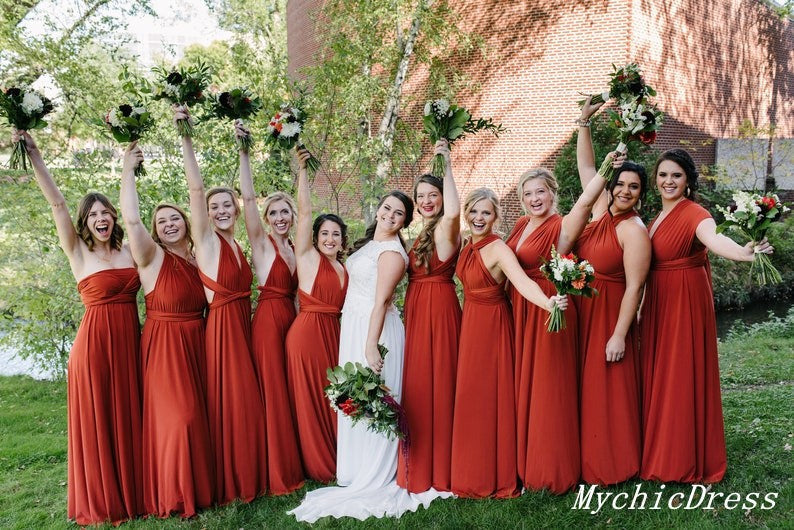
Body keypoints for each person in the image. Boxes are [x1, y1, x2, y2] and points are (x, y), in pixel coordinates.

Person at [289, 191, 451, 522]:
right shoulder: (368, 246)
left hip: (373, 331)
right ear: (378, 210)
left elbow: (380, 301)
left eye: (399, 213)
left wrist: (370, 344)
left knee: (374, 399)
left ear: (405, 221)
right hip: (355, 326)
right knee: (357, 400)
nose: (391, 215)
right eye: (387, 208)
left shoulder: (392, 253)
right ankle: (354, 469)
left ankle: (375, 473)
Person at [17, 129, 143, 524]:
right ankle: (105, 498)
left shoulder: (129, 251)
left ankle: (138, 490)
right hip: (94, 348)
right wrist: (35, 154)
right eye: (93, 215)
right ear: (84, 223)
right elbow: (56, 203)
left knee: (131, 415)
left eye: (105, 212)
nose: (101, 218)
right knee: (101, 421)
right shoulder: (78, 252)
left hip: (131, 342)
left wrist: (129, 167)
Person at [640, 148, 773, 483]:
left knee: (679, 372)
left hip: (683, 301)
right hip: (659, 301)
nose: (668, 181)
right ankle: (659, 446)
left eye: (676, 175)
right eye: (663, 175)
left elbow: (714, 239)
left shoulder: (695, 213)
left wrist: (743, 254)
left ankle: (679, 456)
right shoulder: (657, 217)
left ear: (687, 181)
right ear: (656, 179)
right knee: (660, 371)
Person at [174, 106, 267, 504]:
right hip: (223, 333)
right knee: (237, 403)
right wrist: (186, 134)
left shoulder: (237, 243)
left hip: (244, 327)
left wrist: (244, 150)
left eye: (226, 205)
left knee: (248, 404)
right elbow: (196, 190)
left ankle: (252, 472)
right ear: (207, 216)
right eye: (215, 208)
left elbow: (249, 198)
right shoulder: (208, 243)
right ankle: (236, 480)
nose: (223, 210)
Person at [450, 188, 568, 498]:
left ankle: (494, 473)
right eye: (474, 211)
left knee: (490, 397)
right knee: (470, 398)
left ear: (496, 217)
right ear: (467, 213)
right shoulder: (465, 244)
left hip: (492, 326)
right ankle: (469, 469)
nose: (479, 218)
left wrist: (548, 303)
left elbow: (523, 282)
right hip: (470, 324)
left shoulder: (499, 248)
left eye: (486, 213)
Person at [118, 143, 214, 517]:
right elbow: (131, 221)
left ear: (186, 224)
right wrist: (128, 170)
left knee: (200, 417)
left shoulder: (196, 258)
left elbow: (198, 193)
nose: (170, 224)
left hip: (198, 341)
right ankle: (174, 495)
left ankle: (200, 489)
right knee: (180, 419)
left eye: (175, 219)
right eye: (163, 222)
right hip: (164, 346)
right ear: (156, 231)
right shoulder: (151, 257)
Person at [506, 154, 610, 494]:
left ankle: (551, 471)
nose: (534, 199)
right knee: (526, 386)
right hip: (523, 307)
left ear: (553, 193)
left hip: (553, 307)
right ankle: (524, 463)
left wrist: (607, 166)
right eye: (527, 194)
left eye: (540, 192)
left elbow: (585, 204)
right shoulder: (522, 225)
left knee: (550, 389)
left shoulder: (562, 226)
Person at [574, 98, 651, 485]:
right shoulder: (602, 206)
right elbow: (588, 169)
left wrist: (619, 334)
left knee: (608, 388)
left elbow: (635, 287)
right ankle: (582, 455)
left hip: (609, 314)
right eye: (620, 184)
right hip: (582, 309)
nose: (623, 191)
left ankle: (613, 462)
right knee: (582, 387)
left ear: (641, 194)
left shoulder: (634, 232)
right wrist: (584, 122)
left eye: (633, 187)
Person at [236, 121, 303, 495]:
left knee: (289, 391)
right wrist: (245, 153)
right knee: (273, 392)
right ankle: (276, 471)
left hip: (292, 321)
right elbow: (247, 201)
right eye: (273, 213)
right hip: (266, 321)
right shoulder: (263, 246)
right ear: (266, 219)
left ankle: (295, 458)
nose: (279, 218)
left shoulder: (296, 247)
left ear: (292, 215)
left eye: (284, 212)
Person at [397, 139, 461, 493]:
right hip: (419, 309)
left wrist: (447, 164)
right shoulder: (421, 231)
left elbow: (454, 212)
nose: (425, 201)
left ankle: (444, 464)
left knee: (440, 381)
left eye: (431, 194)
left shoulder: (445, 228)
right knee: (420, 384)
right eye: (420, 196)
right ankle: (420, 462)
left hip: (439, 308)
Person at [285, 148, 349, 483]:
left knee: (337, 396)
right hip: (307, 336)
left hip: (334, 335)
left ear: (342, 240)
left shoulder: (345, 267)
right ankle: (320, 464)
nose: (329, 238)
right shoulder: (308, 258)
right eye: (324, 233)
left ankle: (345, 456)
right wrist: (303, 172)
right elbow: (306, 213)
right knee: (315, 399)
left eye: (335, 234)